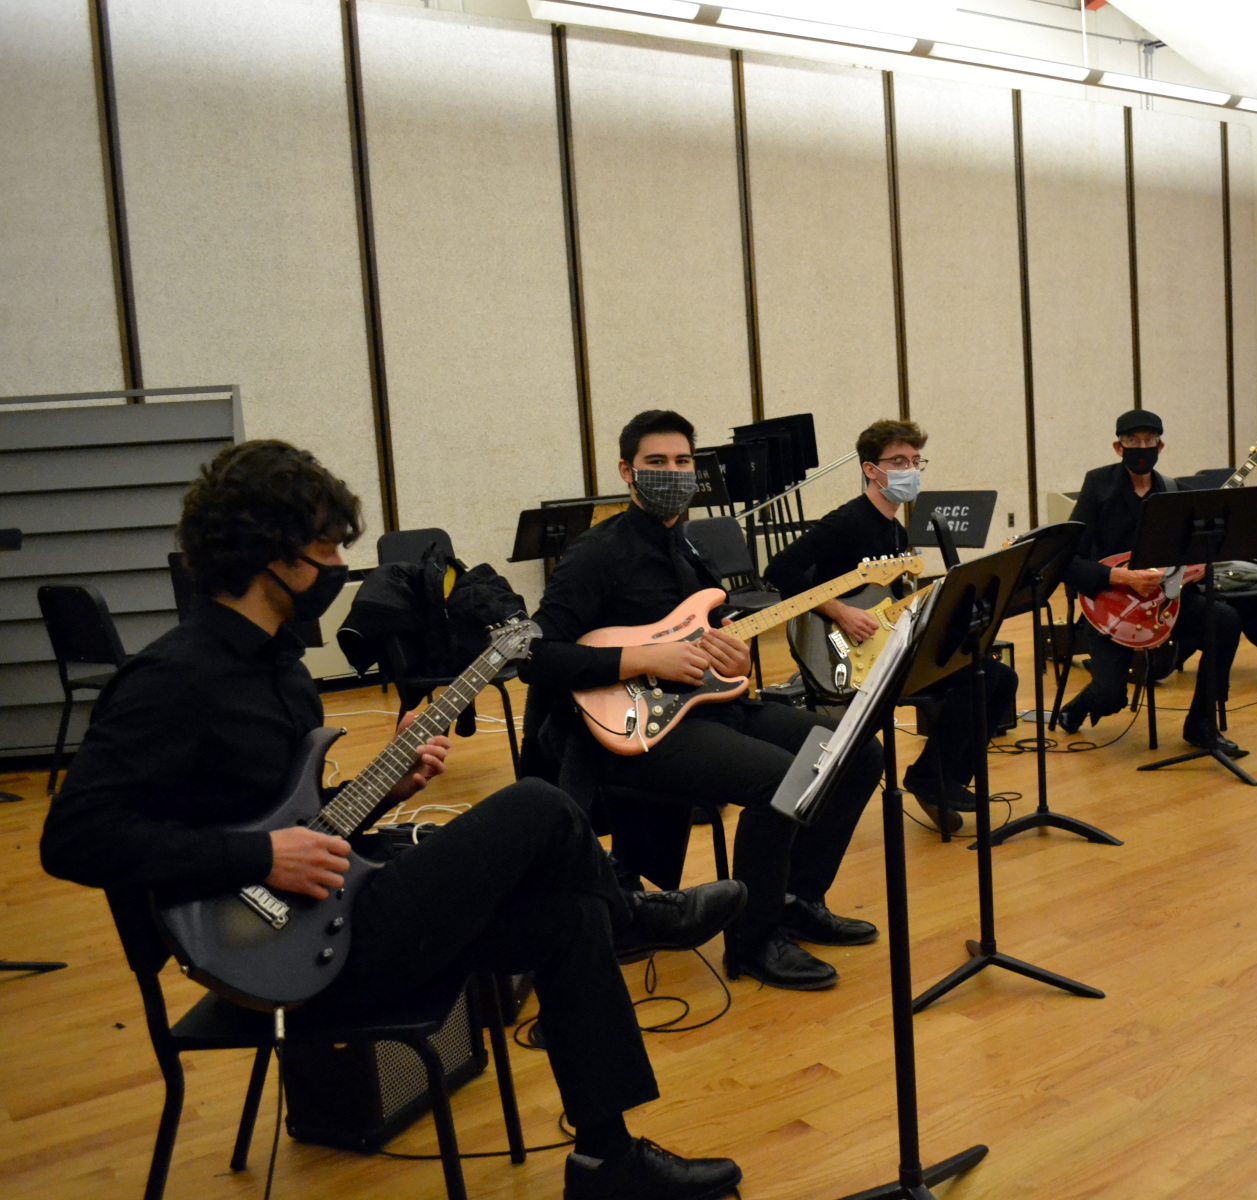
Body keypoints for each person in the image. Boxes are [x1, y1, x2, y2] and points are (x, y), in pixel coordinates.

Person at [38, 441, 746, 1200]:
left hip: (330, 914)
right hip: (281, 959)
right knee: (538, 805)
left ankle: (608, 1163)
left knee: (568, 917)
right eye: (323, 544)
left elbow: (306, 827)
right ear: (265, 549)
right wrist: (257, 857)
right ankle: (635, 913)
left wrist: (387, 790)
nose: (338, 562)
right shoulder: (174, 678)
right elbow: (74, 836)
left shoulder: (276, 666)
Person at [521, 410, 884, 992]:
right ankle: (755, 938)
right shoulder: (598, 553)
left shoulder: (686, 546)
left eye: (683, 462)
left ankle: (797, 898)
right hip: (638, 727)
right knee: (780, 780)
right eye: (656, 463)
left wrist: (735, 660)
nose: (673, 472)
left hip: (707, 705)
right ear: (627, 471)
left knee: (858, 753)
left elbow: (713, 640)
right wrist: (640, 660)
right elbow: (536, 656)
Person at [765, 419, 1018, 836]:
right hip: (848, 652)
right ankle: (932, 780)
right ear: (871, 469)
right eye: (899, 461)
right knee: (980, 677)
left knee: (997, 676)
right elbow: (780, 569)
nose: (910, 470)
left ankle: (938, 780)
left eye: (916, 461)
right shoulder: (847, 521)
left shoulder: (895, 530)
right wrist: (839, 611)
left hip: (886, 645)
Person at [1057, 410, 1247, 757]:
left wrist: (1198, 565)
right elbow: (1066, 561)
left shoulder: (1172, 490)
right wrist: (1122, 576)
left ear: (1161, 446)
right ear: (1118, 447)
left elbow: (1183, 554)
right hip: (1111, 601)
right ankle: (1079, 706)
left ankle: (1201, 725)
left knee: (1224, 621)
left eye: (1149, 441)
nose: (1141, 447)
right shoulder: (1098, 486)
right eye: (1133, 441)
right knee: (1111, 695)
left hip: (1162, 601)